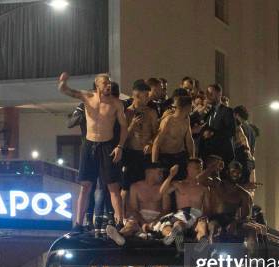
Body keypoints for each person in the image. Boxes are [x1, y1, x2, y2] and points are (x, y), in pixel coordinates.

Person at [58, 72, 128, 233]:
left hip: (108, 146)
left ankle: (119, 223)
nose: (108, 85)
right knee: (85, 186)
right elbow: (66, 91)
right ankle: (78, 224)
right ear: (97, 85)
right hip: (89, 145)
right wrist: (63, 83)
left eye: (109, 83)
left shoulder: (116, 104)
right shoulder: (87, 97)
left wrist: (120, 147)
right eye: (104, 83)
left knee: (113, 187)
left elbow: (124, 127)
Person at [107, 163, 171, 245]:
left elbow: (166, 210)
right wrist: (143, 223)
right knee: (130, 225)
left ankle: (170, 236)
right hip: (140, 217)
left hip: (158, 218)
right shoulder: (135, 187)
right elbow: (133, 209)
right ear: (149, 172)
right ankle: (120, 236)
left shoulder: (164, 187)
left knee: (166, 227)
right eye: (159, 172)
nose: (162, 175)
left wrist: (154, 222)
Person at [121, 81, 159, 218]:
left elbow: (157, 133)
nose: (148, 99)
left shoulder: (151, 112)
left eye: (148, 96)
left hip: (146, 154)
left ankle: (143, 218)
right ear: (136, 95)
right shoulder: (127, 112)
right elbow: (122, 137)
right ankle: (122, 217)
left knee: (146, 185)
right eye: (145, 96)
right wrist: (131, 126)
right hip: (131, 153)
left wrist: (150, 142)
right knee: (126, 186)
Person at [198, 156, 252, 241]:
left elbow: (246, 215)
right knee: (214, 228)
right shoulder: (217, 184)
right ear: (228, 172)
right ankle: (211, 250)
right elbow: (199, 179)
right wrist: (213, 167)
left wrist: (236, 222)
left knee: (248, 232)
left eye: (238, 173)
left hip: (231, 220)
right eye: (233, 171)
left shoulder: (243, 194)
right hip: (214, 219)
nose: (235, 175)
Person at [156, 159, 210, 247]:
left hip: (197, 216)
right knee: (178, 225)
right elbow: (162, 192)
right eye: (195, 167)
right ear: (188, 169)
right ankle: (180, 249)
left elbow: (208, 209)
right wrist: (171, 175)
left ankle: (201, 247)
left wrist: (202, 218)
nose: (198, 170)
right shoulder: (179, 184)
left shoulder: (204, 188)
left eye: (200, 168)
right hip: (182, 216)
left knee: (202, 227)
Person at [151, 95, 195, 180]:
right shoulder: (168, 121)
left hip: (180, 156)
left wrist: (192, 159)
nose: (192, 108)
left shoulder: (187, 119)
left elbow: (189, 140)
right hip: (166, 158)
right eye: (191, 106)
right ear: (187, 107)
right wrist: (155, 165)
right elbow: (157, 143)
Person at [198, 84, 236, 166]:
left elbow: (231, 131)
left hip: (221, 155)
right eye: (207, 93)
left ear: (219, 94)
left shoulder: (227, 111)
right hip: (207, 155)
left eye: (211, 93)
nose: (208, 96)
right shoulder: (208, 111)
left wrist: (213, 133)